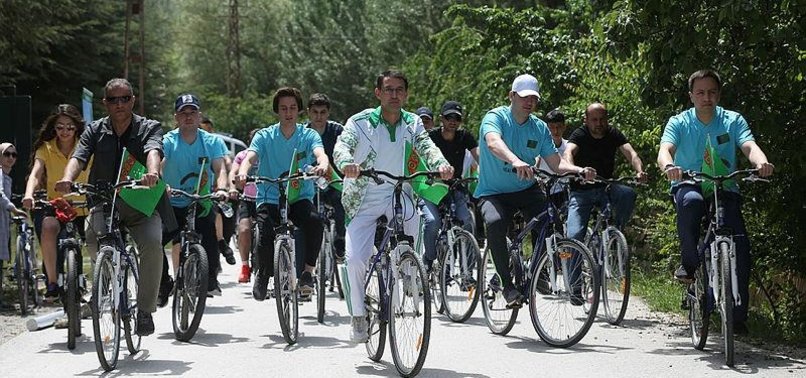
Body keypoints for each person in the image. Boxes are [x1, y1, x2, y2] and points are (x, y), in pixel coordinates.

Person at [333, 70, 452, 343]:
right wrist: (346, 163)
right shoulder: (360, 122)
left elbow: (427, 147)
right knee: (355, 259)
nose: (394, 95)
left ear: (406, 94)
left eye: (399, 90)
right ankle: (358, 315)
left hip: (397, 191)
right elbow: (342, 146)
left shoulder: (412, 122)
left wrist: (441, 165)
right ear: (378, 93)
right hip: (364, 196)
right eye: (388, 89)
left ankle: (410, 269)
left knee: (415, 218)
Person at [657, 69, 774, 333]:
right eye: (700, 92)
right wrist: (669, 166)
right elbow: (665, 150)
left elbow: (749, 146)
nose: (706, 97)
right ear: (691, 96)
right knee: (690, 203)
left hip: (723, 185)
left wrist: (761, 162)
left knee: (739, 243)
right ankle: (689, 264)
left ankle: (737, 315)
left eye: (711, 92)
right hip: (689, 182)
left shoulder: (733, 120)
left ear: (719, 95)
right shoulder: (679, 122)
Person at [55, 78, 168, 337]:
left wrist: (152, 173)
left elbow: (153, 151)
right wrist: (67, 178)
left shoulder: (148, 127)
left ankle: (145, 311)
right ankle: (106, 276)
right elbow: (79, 156)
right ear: (105, 103)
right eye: (113, 100)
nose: (120, 104)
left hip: (140, 202)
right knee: (93, 236)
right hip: (105, 201)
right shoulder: (95, 130)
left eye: (125, 98)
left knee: (153, 243)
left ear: (133, 100)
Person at [475, 74, 595, 308]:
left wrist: (579, 170)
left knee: (552, 222)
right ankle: (507, 286)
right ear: (511, 96)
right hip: (493, 191)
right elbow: (493, 142)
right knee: (496, 223)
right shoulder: (495, 117)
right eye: (524, 97)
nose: (529, 102)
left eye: (534, 98)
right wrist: (515, 160)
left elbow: (556, 164)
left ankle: (537, 271)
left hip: (526, 189)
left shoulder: (539, 127)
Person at [234, 87, 329, 302]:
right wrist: (242, 173)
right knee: (264, 233)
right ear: (277, 111)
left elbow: (320, 154)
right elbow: (250, 157)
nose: (288, 113)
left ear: (299, 110)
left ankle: (308, 273)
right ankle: (263, 275)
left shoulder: (308, 135)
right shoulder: (264, 135)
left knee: (315, 222)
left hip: (299, 196)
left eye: (293, 108)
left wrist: (322, 165)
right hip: (270, 195)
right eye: (284, 108)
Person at [161, 94, 230, 297]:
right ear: (176, 117)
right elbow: (159, 165)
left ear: (199, 116)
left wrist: (222, 188)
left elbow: (220, 169)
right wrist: (162, 184)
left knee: (210, 234)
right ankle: (164, 283)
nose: (188, 116)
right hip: (172, 203)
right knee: (155, 241)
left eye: (193, 112)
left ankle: (210, 279)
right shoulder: (167, 141)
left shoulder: (211, 141)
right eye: (183, 113)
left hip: (200, 201)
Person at [22, 104, 92, 301]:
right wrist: (29, 194)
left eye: (70, 127)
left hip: (84, 205)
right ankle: (52, 282)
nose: (65, 131)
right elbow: (36, 174)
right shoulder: (46, 148)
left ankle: (103, 282)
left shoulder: (86, 146)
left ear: (77, 128)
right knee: (48, 227)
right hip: (58, 205)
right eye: (60, 127)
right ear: (54, 128)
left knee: (98, 235)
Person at [564, 103, 646, 244]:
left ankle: (616, 234)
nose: (599, 123)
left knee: (627, 194)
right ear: (586, 120)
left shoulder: (612, 133)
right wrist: (575, 171)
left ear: (607, 119)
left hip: (605, 187)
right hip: (581, 192)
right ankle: (571, 259)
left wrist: (640, 171)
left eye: (602, 119)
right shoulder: (580, 134)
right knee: (574, 236)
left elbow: (631, 154)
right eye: (594, 120)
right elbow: (568, 153)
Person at [421, 100, 479, 272]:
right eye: (449, 117)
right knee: (432, 222)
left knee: (467, 222)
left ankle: (467, 271)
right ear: (441, 119)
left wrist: (488, 173)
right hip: (432, 187)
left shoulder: (465, 137)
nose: (453, 121)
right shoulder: (430, 137)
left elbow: (479, 156)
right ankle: (429, 259)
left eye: (457, 118)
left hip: (455, 187)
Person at [305, 93, 346, 259]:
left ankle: (340, 238)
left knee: (341, 202)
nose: (319, 116)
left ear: (328, 113)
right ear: (308, 112)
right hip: (309, 182)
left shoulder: (338, 131)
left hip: (335, 180)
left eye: (323, 112)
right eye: (315, 112)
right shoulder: (302, 132)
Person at [199, 115, 237, 267]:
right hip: (196, 188)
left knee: (218, 214)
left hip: (215, 187)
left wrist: (229, 183)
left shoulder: (216, 142)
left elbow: (226, 162)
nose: (206, 131)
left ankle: (221, 242)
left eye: (209, 128)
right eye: (203, 128)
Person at [229, 128, 261, 283]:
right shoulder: (242, 156)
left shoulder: (269, 154)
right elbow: (233, 172)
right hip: (247, 199)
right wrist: (232, 188)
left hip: (266, 199)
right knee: (244, 229)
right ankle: (244, 266)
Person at [1, 143, 27, 307]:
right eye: (6, 154)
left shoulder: (6, 176)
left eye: (13, 155)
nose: (10, 158)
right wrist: (13, 209)